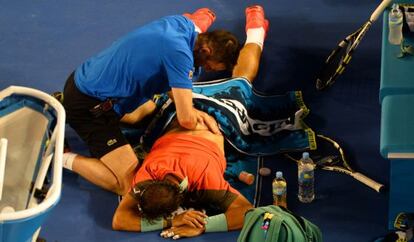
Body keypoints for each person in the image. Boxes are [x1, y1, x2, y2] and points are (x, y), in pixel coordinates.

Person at [112, 5, 269, 239]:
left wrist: (201, 224)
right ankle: (204, 22)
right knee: (140, 111)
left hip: (215, 118)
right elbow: (120, 220)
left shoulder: (207, 184)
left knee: (242, 79)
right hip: (183, 105)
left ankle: (255, 29)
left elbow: (246, 213)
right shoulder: (145, 175)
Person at [61, 8, 242, 195]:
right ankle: (61, 156)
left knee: (149, 111)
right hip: (90, 106)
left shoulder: (182, 25)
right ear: (205, 50)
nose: (207, 70)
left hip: (85, 78)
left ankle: (65, 105)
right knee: (129, 184)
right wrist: (198, 115)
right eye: (208, 66)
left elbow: (173, 84)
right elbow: (186, 120)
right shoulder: (180, 54)